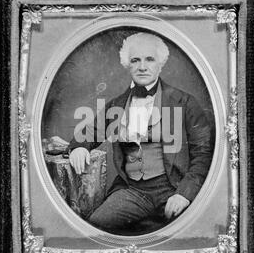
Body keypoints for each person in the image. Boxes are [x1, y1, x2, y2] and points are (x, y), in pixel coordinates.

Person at [68, 32, 212, 234]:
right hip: (133, 191)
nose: (142, 67)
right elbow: (88, 132)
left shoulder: (185, 102)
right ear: (127, 64)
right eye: (135, 60)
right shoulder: (117, 104)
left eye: (149, 59)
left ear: (160, 64)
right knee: (95, 228)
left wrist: (184, 194)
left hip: (174, 188)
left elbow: (204, 155)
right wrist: (79, 147)